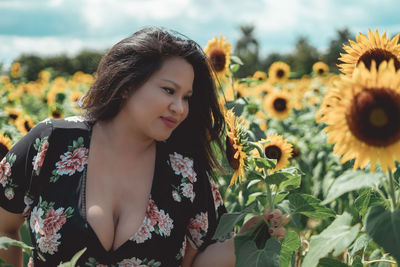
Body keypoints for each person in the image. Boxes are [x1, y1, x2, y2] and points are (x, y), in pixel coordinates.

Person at [0, 26, 259, 267]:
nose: (179, 108)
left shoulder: (185, 172)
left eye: (186, 98)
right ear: (128, 84)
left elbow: (198, 261)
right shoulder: (51, 143)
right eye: (169, 91)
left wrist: (250, 240)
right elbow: (3, 226)